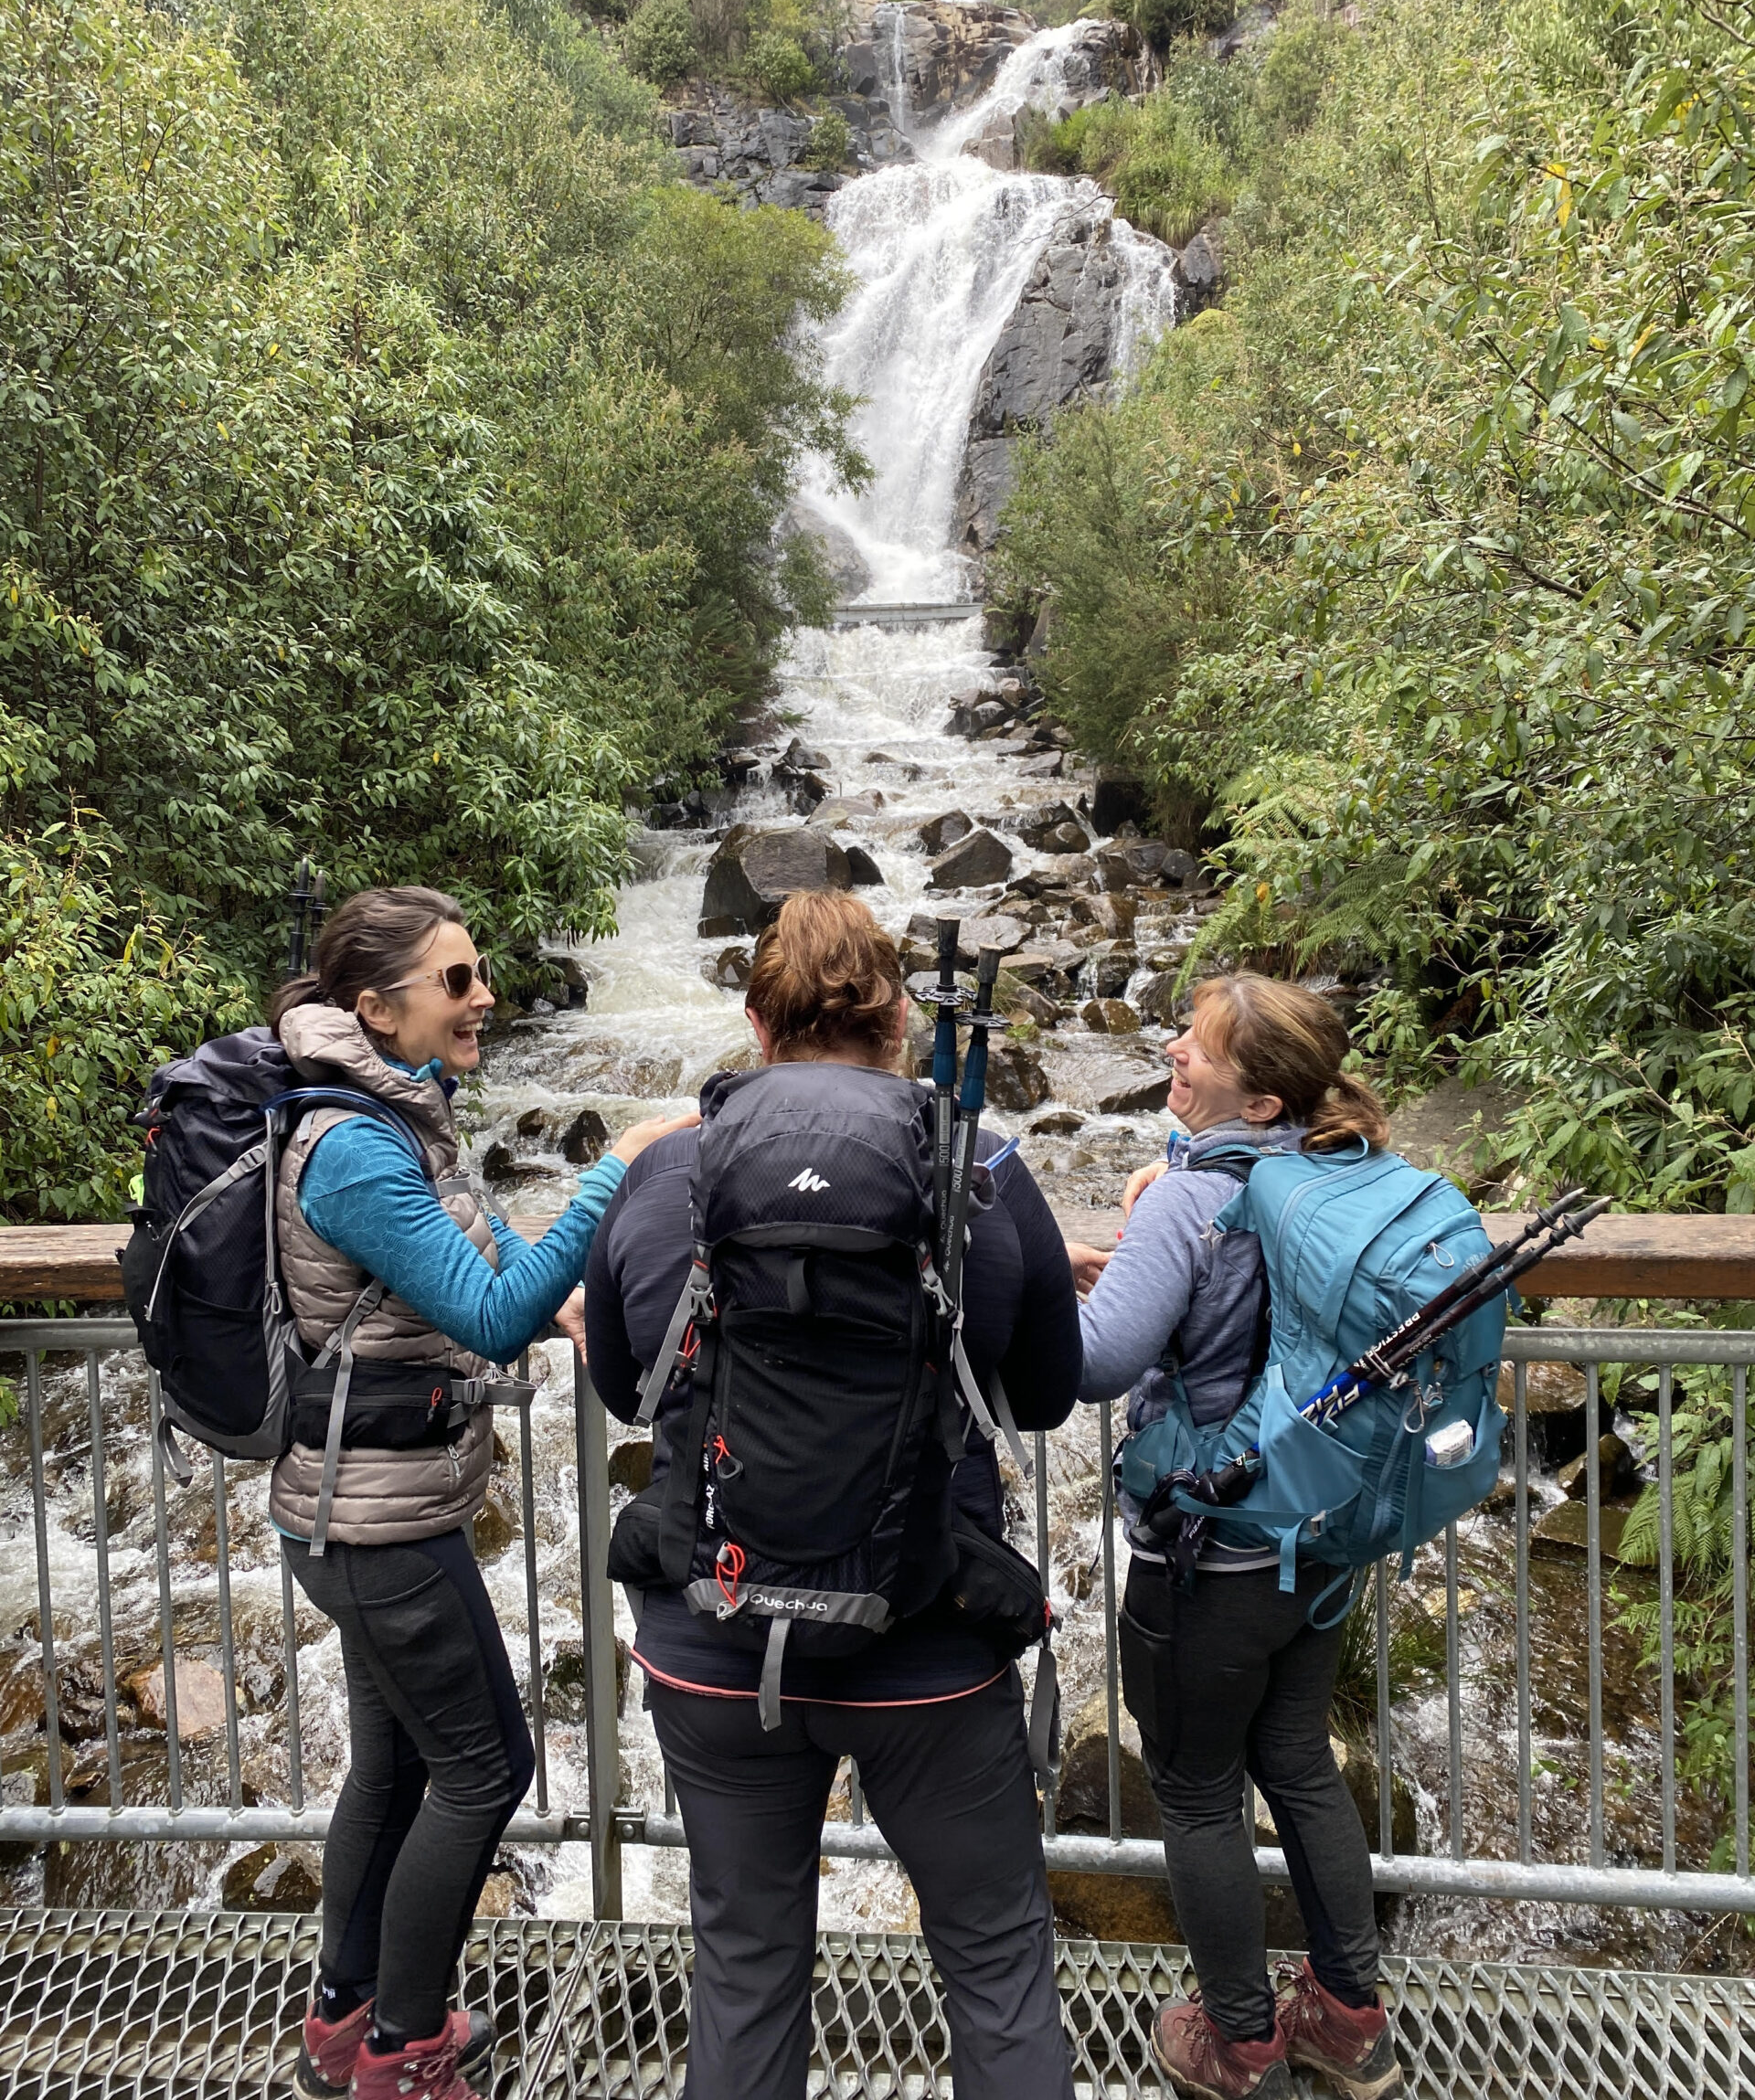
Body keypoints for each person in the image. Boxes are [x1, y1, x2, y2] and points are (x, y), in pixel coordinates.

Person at [586, 890, 1082, 2100]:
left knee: (746, 1967)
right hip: (925, 1647)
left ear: (754, 1020)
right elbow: (1047, 1393)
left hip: (713, 1635)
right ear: (904, 1019)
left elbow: (625, 1388)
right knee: (996, 1964)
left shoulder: (668, 1177)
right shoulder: (982, 1171)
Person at [270, 886, 692, 2100]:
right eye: (457, 980)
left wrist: (574, 1297)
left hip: (371, 1509)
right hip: (376, 1522)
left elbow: (492, 1267)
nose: (484, 997)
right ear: (375, 1005)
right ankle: (403, 2046)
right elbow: (491, 1314)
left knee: (397, 1771)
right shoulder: (352, 1147)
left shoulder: (401, 1118)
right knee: (486, 1770)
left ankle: (343, 2019)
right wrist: (614, 1172)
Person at [1078, 974, 1401, 2100]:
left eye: (1199, 1045)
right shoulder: (1329, 1173)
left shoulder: (1187, 1199)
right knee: (1299, 1760)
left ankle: (1241, 2040)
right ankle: (1351, 2018)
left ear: (1260, 1100)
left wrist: (1059, 1271)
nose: (1172, 1047)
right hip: (1317, 1536)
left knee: (1199, 1790)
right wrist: (1155, 1203)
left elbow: (1096, 1362)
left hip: (1207, 1549)